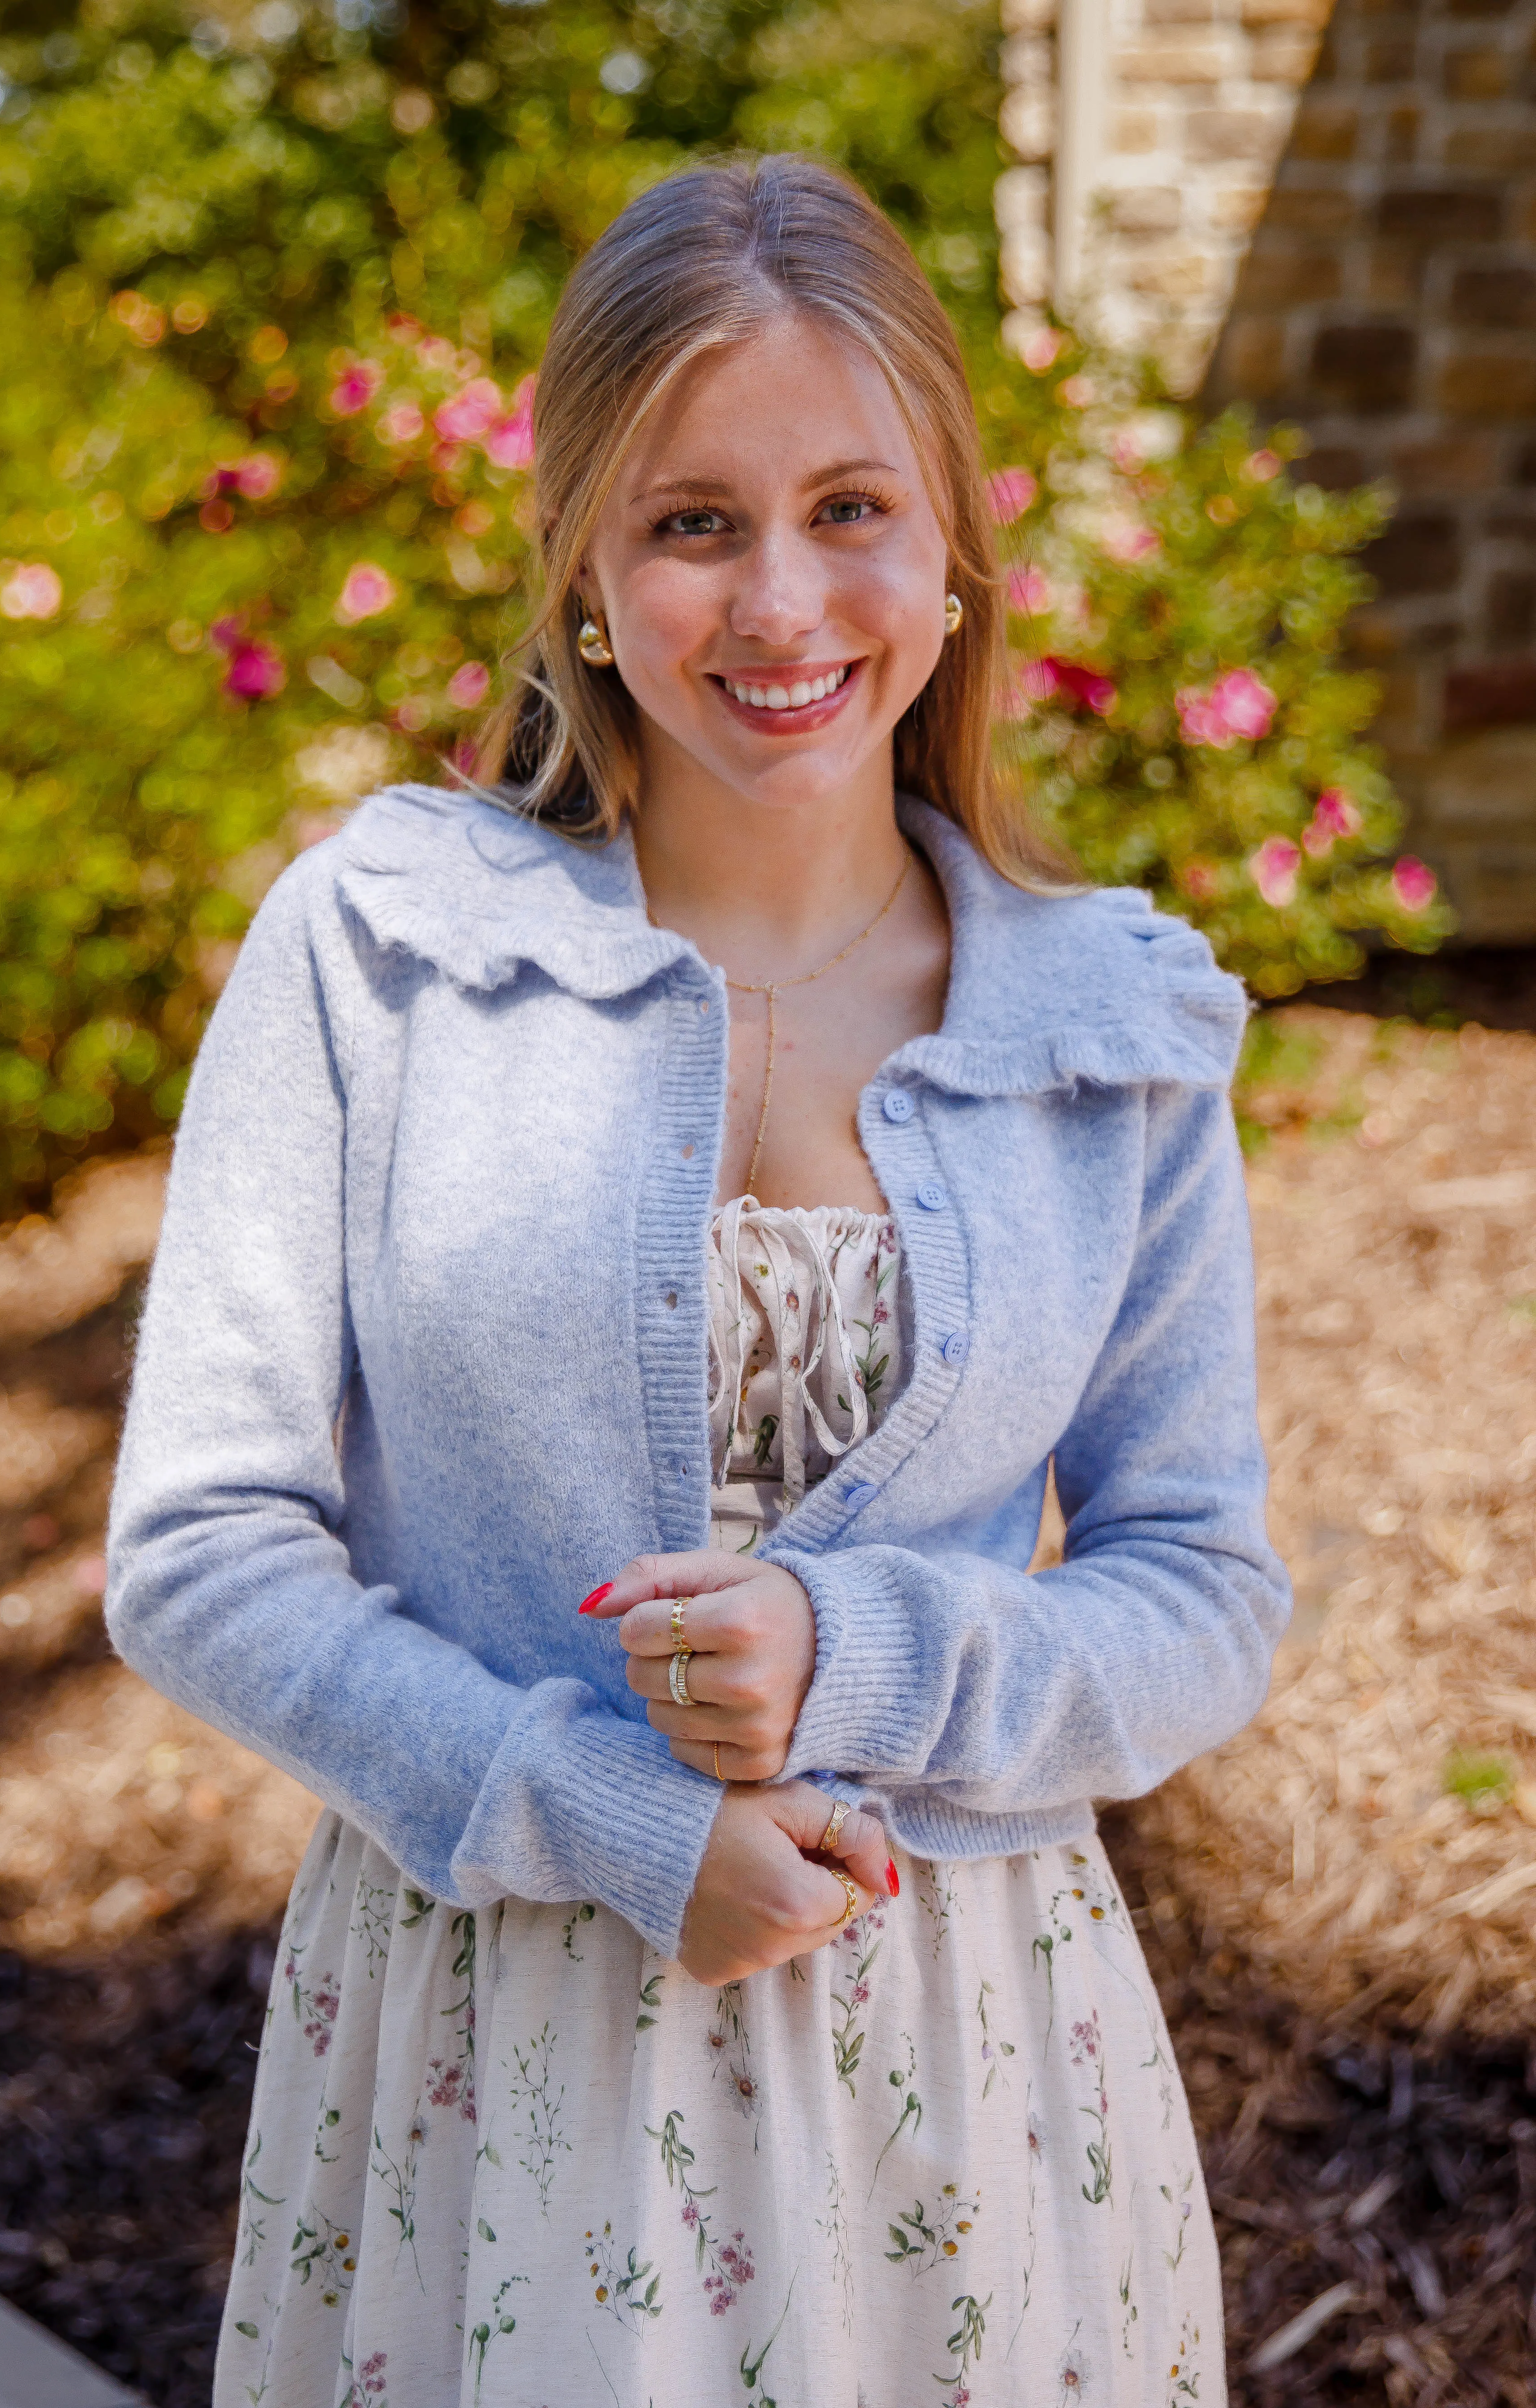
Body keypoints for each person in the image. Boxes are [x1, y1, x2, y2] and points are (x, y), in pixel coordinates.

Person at [107, 153, 1290, 2408]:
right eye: (689, 522)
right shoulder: (382, 947)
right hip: (491, 2050)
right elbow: (199, 1544)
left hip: (972, 2066)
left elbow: (1202, 1590)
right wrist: (624, 1821)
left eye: (850, 505)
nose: (779, 602)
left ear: (951, 548)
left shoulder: (1111, 1029)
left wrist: (862, 1648)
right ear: (579, 569)